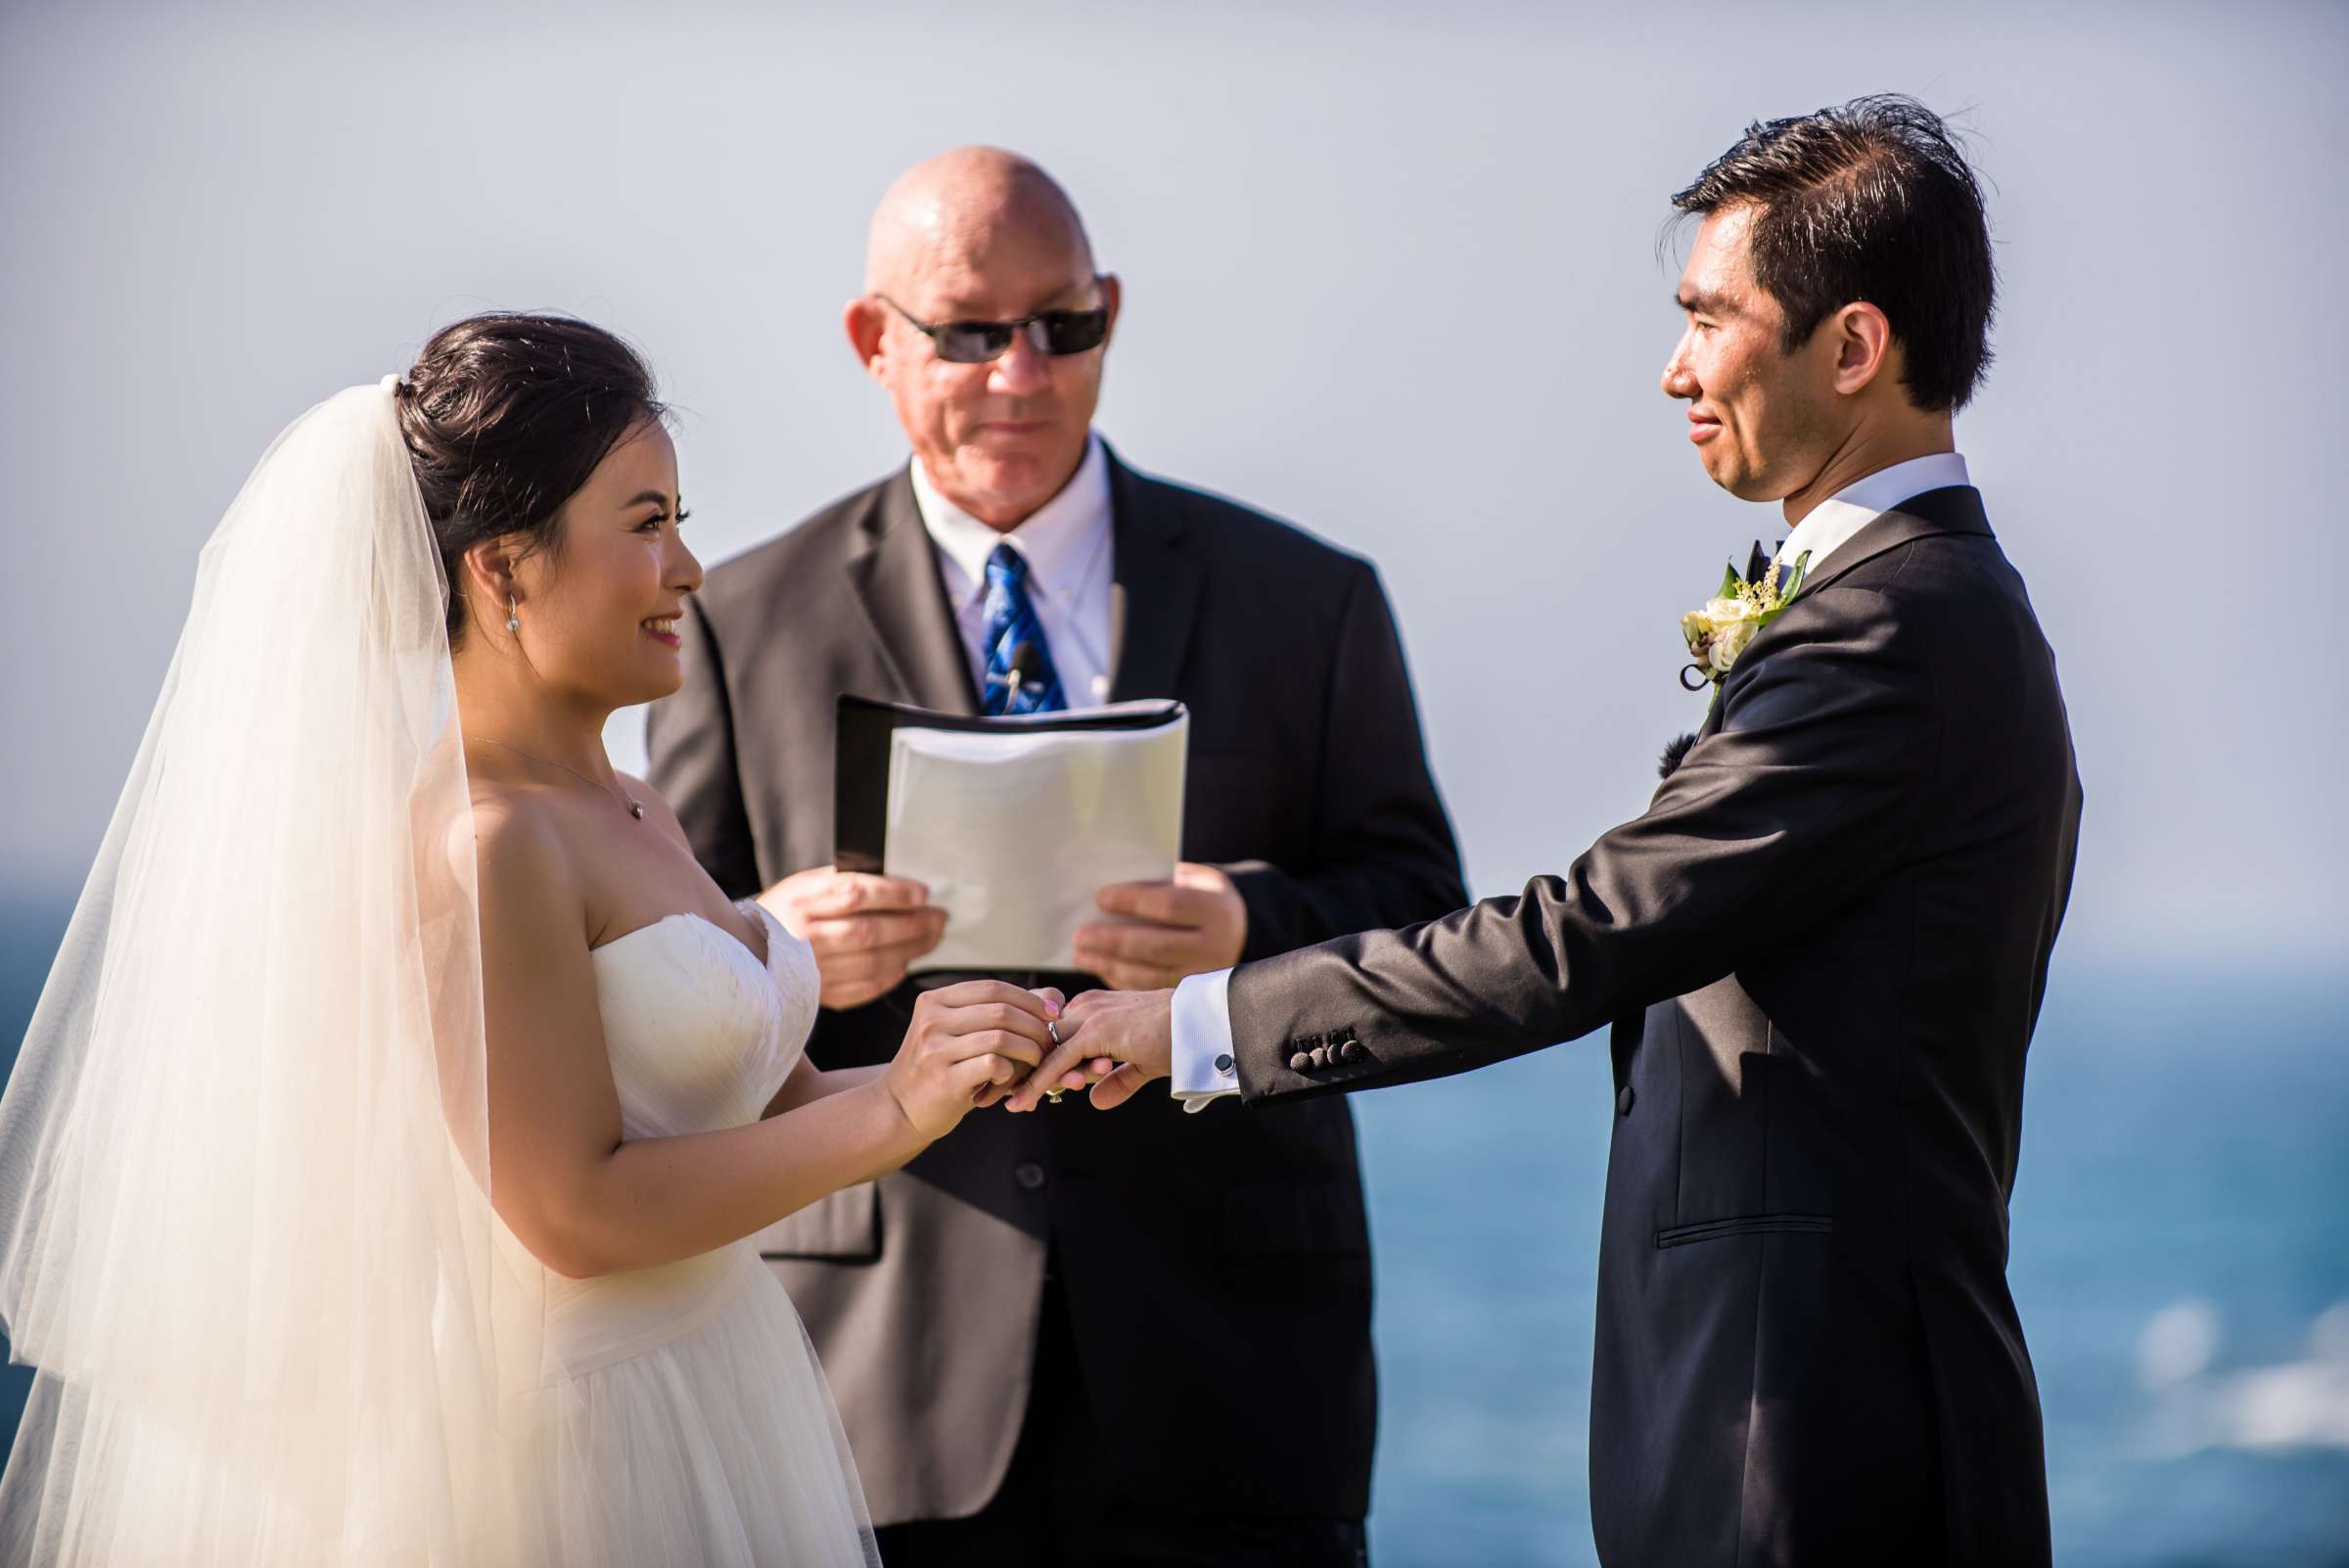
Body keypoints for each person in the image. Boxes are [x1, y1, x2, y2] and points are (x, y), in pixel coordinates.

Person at [1029, 97, 2083, 1567]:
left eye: (1712, 319)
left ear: (1851, 348)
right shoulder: (1909, 610)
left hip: (1829, 1442)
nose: (1674, 370)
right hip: (1785, 1415)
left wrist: (1194, 1028)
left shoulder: (1897, 630)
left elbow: (1587, 931)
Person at [0, 313, 1061, 1566]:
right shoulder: (482, 844)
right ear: (503, 570)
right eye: (647, 523)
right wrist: (894, 1116)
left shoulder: (632, 803)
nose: (692, 569)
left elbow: (769, 1120)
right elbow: (569, 1209)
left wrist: (963, 1057)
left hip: (722, 1377)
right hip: (582, 1451)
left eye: (681, 517)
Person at [646, 148, 1463, 1566]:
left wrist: (1245, 923)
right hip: (876, 1381)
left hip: (1236, 1374)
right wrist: (780, 945)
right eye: (969, 332)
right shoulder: (738, 619)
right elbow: (666, 988)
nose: (1021, 373)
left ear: (1110, 316)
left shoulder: (1308, 600)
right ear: (873, 341)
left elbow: (1425, 923)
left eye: (1062, 325)